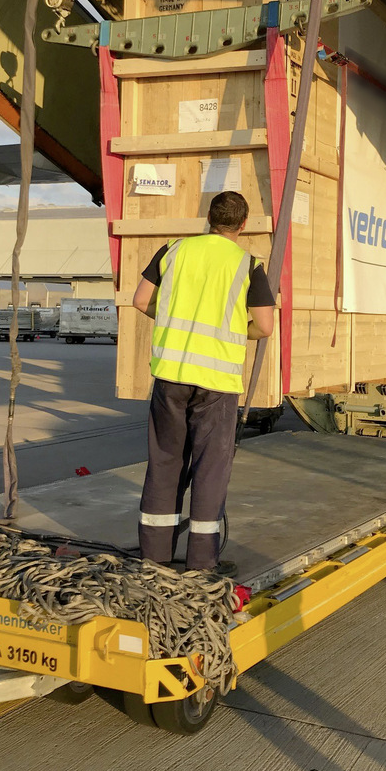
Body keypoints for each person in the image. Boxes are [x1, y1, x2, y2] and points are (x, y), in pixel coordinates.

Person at [132, 190, 275, 576]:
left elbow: (141, 300)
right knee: (210, 469)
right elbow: (264, 325)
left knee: (165, 463)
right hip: (217, 383)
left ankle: (155, 558)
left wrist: (174, 326)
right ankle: (201, 563)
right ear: (243, 225)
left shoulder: (173, 251)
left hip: (171, 376)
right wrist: (233, 332)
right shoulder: (248, 265)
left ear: (207, 218)